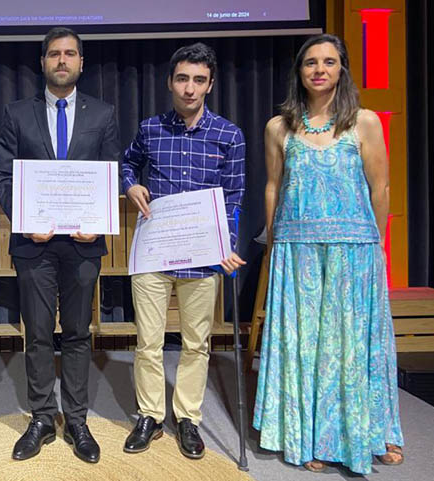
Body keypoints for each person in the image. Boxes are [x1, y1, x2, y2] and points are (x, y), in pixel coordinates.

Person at [252, 33, 403, 474]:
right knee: (306, 346)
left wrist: (375, 244)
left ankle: (366, 433)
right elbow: (273, 186)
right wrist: (276, 241)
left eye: (329, 62)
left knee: (350, 346)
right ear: (299, 72)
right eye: (311, 63)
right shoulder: (279, 127)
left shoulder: (365, 123)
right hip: (296, 247)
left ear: (342, 69)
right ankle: (309, 436)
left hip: (352, 250)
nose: (320, 69)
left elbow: (381, 187)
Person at [0, 27, 121, 464]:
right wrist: (24, 221)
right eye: (54, 54)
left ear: (81, 63)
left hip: (84, 245)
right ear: (43, 62)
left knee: (79, 333)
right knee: (39, 334)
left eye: (70, 54)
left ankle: (78, 418)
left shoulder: (103, 114)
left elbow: (111, 173)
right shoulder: (16, 113)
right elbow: (3, 176)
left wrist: (99, 221)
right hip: (34, 245)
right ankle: (43, 417)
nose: (62, 61)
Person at [121, 43, 245, 459]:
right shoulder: (150, 128)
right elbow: (126, 164)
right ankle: (151, 416)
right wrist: (131, 185)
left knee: (196, 344)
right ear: (170, 81)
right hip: (154, 253)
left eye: (198, 80)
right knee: (148, 342)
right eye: (182, 79)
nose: (189, 88)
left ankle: (188, 417)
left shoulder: (229, 135)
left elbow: (234, 196)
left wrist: (226, 245)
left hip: (204, 255)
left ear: (210, 84)